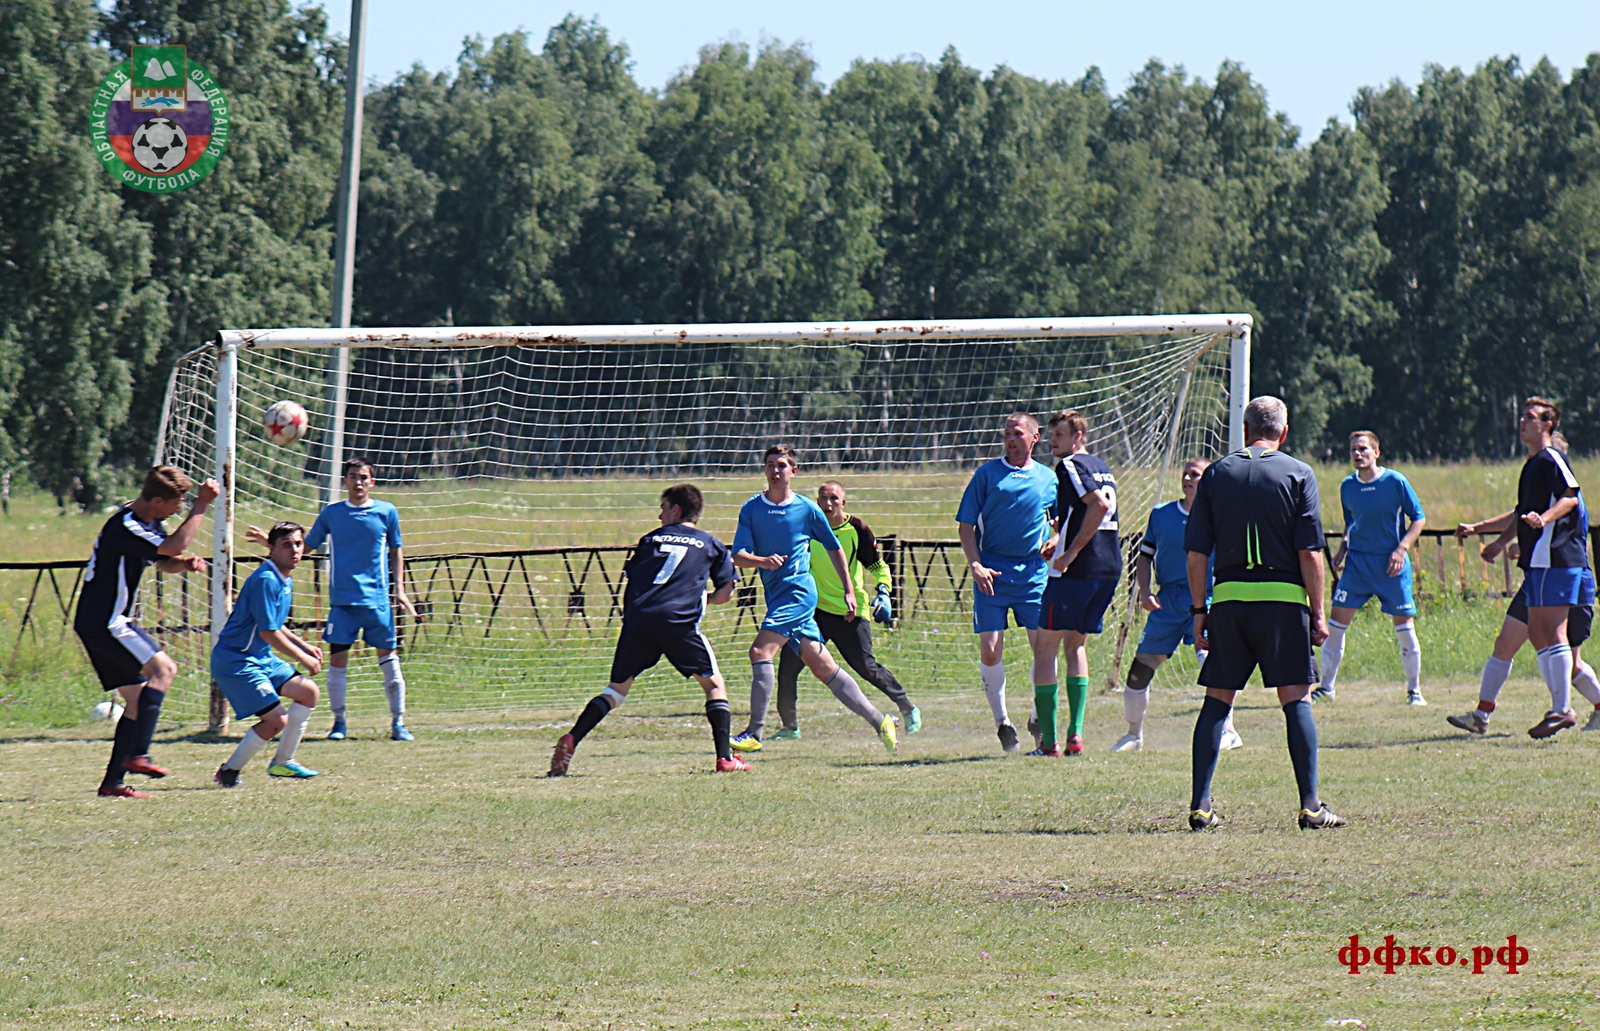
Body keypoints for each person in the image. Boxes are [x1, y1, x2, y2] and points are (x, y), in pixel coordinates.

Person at [1184, 396, 1344, 831]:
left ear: (1244, 430)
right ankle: (1310, 807)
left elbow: (1197, 552)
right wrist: (1318, 612)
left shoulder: (1216, 473)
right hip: (1282, 603)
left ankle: (1201, 806)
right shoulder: (1298, 472)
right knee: (1297, 699)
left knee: (1217, 700)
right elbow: (1310, 552)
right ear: (1284, 432)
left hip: (1231, 601)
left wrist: (1200, 609)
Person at [548, 485, 744, 776]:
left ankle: (572, 738)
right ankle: (725, 758)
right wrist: (704, 598)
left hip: (638, 620)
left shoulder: (649, 539)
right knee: (714, 686)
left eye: (663, 508)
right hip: (677, 621)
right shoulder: (711, 543)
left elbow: (638, 577)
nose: (660, 513)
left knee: (615, 691)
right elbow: (726, 593)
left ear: (676, 510)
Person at [728, 446, 898, 754]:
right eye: (770, 465)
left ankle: (754, 731)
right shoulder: (752, 508)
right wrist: (762, 561)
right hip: (777, 595)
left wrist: (849, 590)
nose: (775, 470)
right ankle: (880, 720)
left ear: (793, 472)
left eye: (781, 465)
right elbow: (738, 555)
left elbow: (835, 548)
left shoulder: (807, 509)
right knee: (824, 668)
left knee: (759, 651)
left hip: (798, 594)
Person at [248, 457, 419, 742]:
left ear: (372, 481)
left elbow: (395, 550)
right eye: (353, 477)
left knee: (389, 661)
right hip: (342, 603)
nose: (359, 482)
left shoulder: (387, 512)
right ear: (345, 481)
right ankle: (339, 722)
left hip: (377, 602)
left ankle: (398, 723)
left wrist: (399, 589)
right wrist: (271, 543)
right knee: (338, 661)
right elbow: (307, 546)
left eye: (364, 477)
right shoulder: (332, 513)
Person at [75, 466, 218, 798]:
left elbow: (164, 557)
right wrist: (202, 505)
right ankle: (139, 754)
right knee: (165, 669)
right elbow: (174, 543)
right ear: (156, 500)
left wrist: (183, 564)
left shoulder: (148, 521)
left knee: (137, 701)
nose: (180, 508)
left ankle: (113, 783)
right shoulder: (125, 525)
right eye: (176, 503)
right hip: (106, 621)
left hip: (106, 620)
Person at [1449, 405, 1590, 737]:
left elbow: (1570, 497)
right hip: (1539, 564)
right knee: (1522, 638)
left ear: (1548, 424)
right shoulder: (1532, 465)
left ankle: (1563, 710)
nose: (1522, 421)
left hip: (1557, 560)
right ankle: (1483, 715)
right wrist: (1495, 540)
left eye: (1531, 417)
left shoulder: (1551, 458)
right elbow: (1520, 514)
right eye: (1522, 416)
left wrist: (1544, 520)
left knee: (1553, 636)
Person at [774, 481, 920, 739]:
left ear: (843, 503)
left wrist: (884, 592)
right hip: (813, 613)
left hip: (848, 612)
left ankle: (907, 707)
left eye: (833, 498)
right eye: (822, 498)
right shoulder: (807, 527)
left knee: (866, 667)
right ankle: (790, 727)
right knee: (788, 665)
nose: (827, 504)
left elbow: (878, 566)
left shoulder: (857, 529)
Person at [1117, 457, 1242, 753]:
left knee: (1212, 660)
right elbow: (1145, 556)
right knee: (1139, 670)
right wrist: (1144, 591)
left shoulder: (1222, 516)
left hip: (1209, 597)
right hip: (1169, 600)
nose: (1187, 478)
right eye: (1185, 473)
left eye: (1195, 474)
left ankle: (1228, 730)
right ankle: (1133, 736)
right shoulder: (1161, 515)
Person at [956, 413, 1058, 753]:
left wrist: (1056, 539)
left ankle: (1036, 715)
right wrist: (976, 564)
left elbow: (1062, 522)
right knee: (990, 648)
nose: (1010, 439)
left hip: (1033, 574)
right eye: (1006, 434)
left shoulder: (1048, 478)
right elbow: (965, 525)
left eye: (1017, 433)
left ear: (1035, 437)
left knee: (1044, 648)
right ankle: (1003, 723)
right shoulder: (987, 475)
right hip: (993, 572)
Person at [1314, 431, 1429, 706]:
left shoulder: (1395, 481)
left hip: (1391, 565)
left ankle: (1414, 690)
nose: (1358, 453)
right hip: (1357, 565)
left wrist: (1401, 549)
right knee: (1335, 626)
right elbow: (1351, 521)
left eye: (1363, 449)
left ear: (1376, 453)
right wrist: (1342, 548)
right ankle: (1326, 688)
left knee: (1404, 627)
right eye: (1353, 449)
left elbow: (1419, 518)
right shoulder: (1347, 486)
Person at [1030, 410, 1120, 757]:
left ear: (1078, 436)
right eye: (1051, 434)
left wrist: (1069, 554)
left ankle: (1049, 742)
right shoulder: (1103, 466)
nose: (1053, 440)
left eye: (1060, 435)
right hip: (1108, 568)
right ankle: (1075, 736)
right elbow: (1086, 514)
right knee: (1075, 646)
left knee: (1045, 648)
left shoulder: (1069, 466)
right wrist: (1059, 538)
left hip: (1078, 571)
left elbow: (1096, 506)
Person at [210, 522, 324, 785]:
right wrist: (302, 658)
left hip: (261, 658)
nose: (295, 550)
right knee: (276, 721)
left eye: (298, 544)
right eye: (286, 545)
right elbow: (267, 632)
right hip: (236, 660)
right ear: (271, 549)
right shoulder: (265, 580)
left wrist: (305, 646)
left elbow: (275, 623)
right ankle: (229, 772)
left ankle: (283, 762)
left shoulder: (283, 577)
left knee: (308, 693)